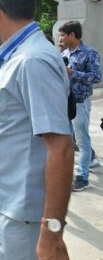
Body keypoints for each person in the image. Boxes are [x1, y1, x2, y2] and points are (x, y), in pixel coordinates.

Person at [0, 0, 73, 260]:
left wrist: (51, 232)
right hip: (16, 205)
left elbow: (61, 147)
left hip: (27, 214)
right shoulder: (22, 55)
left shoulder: (31, 61)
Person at [59, 20, 101, 191]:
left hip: (81, 102)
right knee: (72, 139)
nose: (60, 38)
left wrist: (73, 73)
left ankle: (82, 177)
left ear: (72, 35)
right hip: (66, 102)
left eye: (63, 35)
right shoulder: (66, 53)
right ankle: (91, 158)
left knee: (81, 141)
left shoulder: (90, 53)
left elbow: (97, 77)